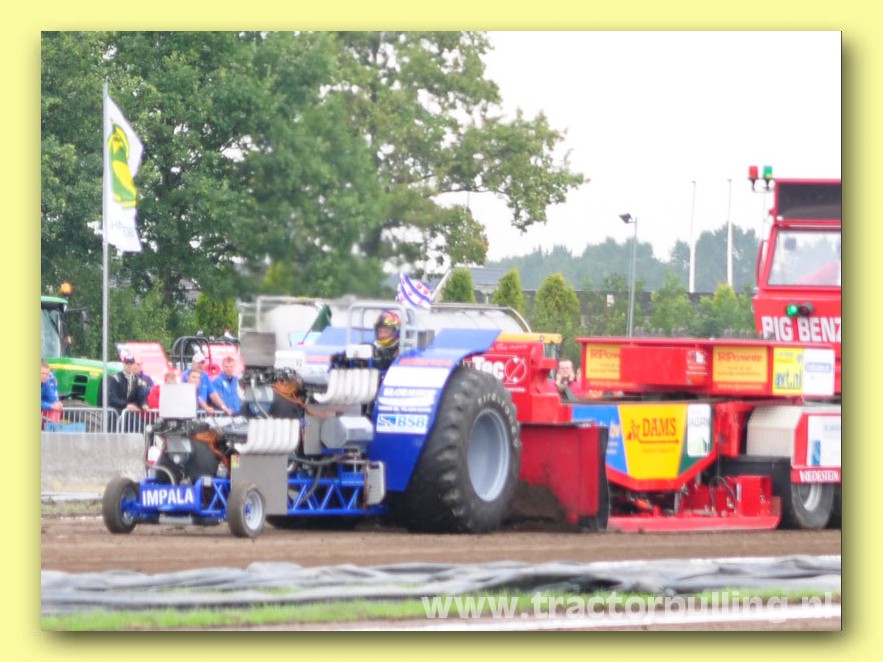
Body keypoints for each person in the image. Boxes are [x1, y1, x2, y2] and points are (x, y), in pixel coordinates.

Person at [41, 360, 63, 425]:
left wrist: (57, 404)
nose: (45, 376)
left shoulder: (46, 382)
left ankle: (51, 429)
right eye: (42, 373)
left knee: (56, 410)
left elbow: (52, 396)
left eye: (47, 374)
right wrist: (51, 406)